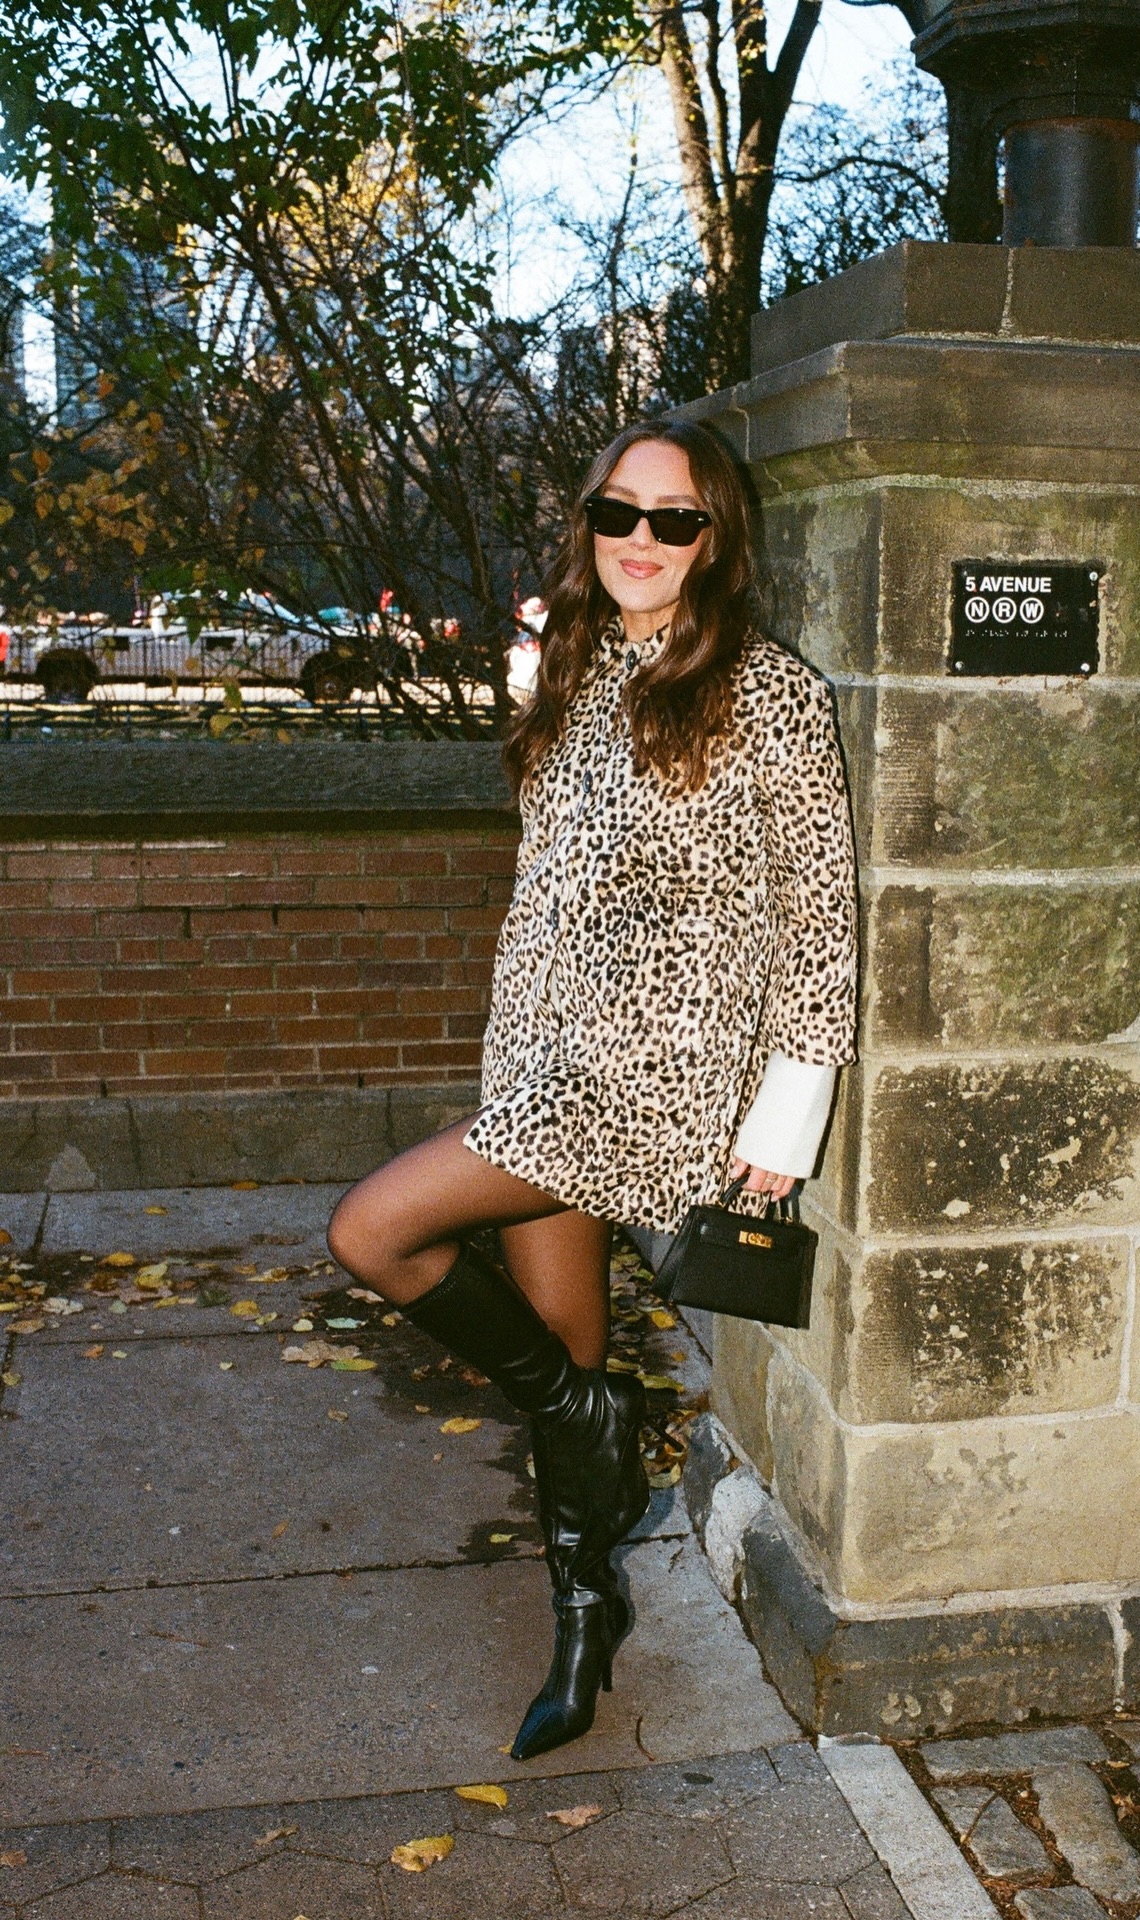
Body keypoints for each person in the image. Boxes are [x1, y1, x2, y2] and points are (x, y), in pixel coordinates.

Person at [326, 419, 858, 1762]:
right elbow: (551, 896)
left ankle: (598, 1423)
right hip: (542, 1067)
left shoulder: (770, 694)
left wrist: (782, 1130)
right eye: (618, 512)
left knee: (373, 1231)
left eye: (673, 521)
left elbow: (819, 928)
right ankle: (585, 1618)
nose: (640, 539)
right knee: (560, 1354)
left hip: (651, 1083)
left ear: (716, 538)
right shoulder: (571, 674)